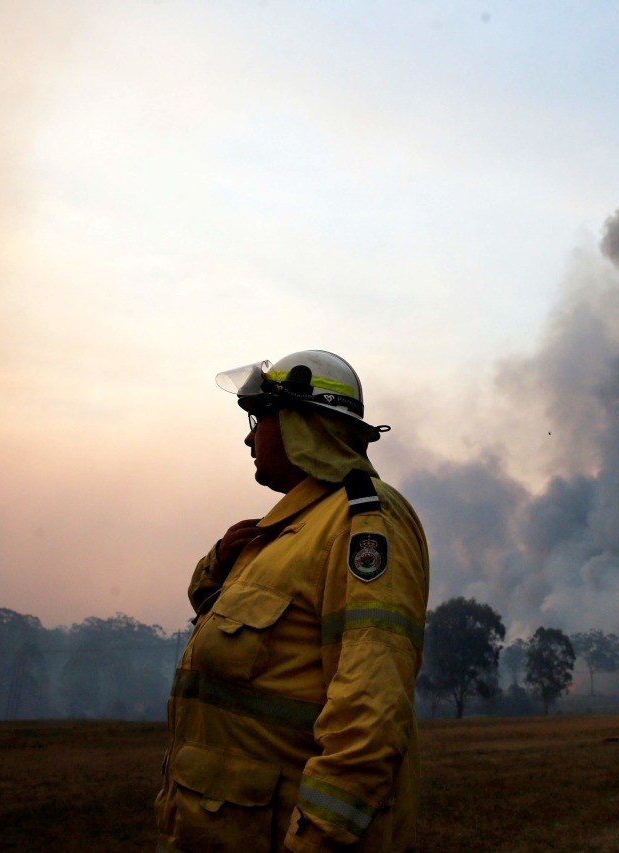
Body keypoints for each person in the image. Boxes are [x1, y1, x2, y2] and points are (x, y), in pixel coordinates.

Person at [155, 350, 429, 853]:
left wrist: (316, 839)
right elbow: (214, 610)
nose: (248, 436)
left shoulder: (364, 521)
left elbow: (369, 711)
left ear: (302, 422)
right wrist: (219, 559)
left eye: (261, 419)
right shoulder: (286, 531)